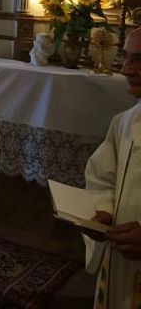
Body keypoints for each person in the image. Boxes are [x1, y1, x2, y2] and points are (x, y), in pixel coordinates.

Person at [83, 27, 141, 308]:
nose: (126, 70)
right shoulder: (126, 122)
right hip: (122, 260)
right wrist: (104, 212)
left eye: (138, 60)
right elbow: (103, 177)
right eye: (126, 58)